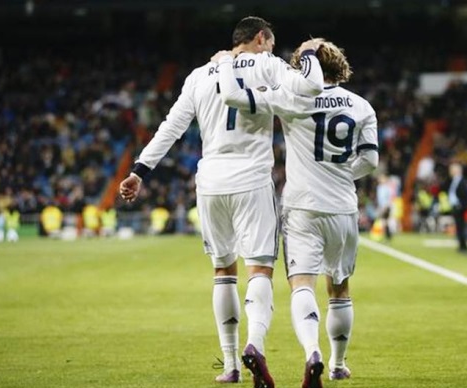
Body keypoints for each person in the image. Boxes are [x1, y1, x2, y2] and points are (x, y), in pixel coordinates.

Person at [118, 16, 323, 387]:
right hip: (252, 179)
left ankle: (230, 365)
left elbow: (171, 127)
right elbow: (307, 90)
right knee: (259, 269)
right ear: (261, 39)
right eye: (271, 44)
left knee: (223, 272)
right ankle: (254, 344)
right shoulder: (268, 65)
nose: (272, 50)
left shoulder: (199, 75)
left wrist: (139, 171)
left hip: (210, 182)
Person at [215, 38, 378, 387]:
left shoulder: (292, 98)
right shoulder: (362, 106)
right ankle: (337, 364)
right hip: (343, 206)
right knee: (340, 286)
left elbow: (237, 100)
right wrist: (338, 174)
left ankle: (312, 351)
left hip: (302, 205)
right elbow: (371, 160)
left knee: (301, 284)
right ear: (340, 66)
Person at [447, 163, 467, 252]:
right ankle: (461, 244)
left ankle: (463, 245)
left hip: (460, 207)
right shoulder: (453, 181)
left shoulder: (463, 181)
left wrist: (463, 205)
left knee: (461, 226)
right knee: (458, 226)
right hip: (455, 206)